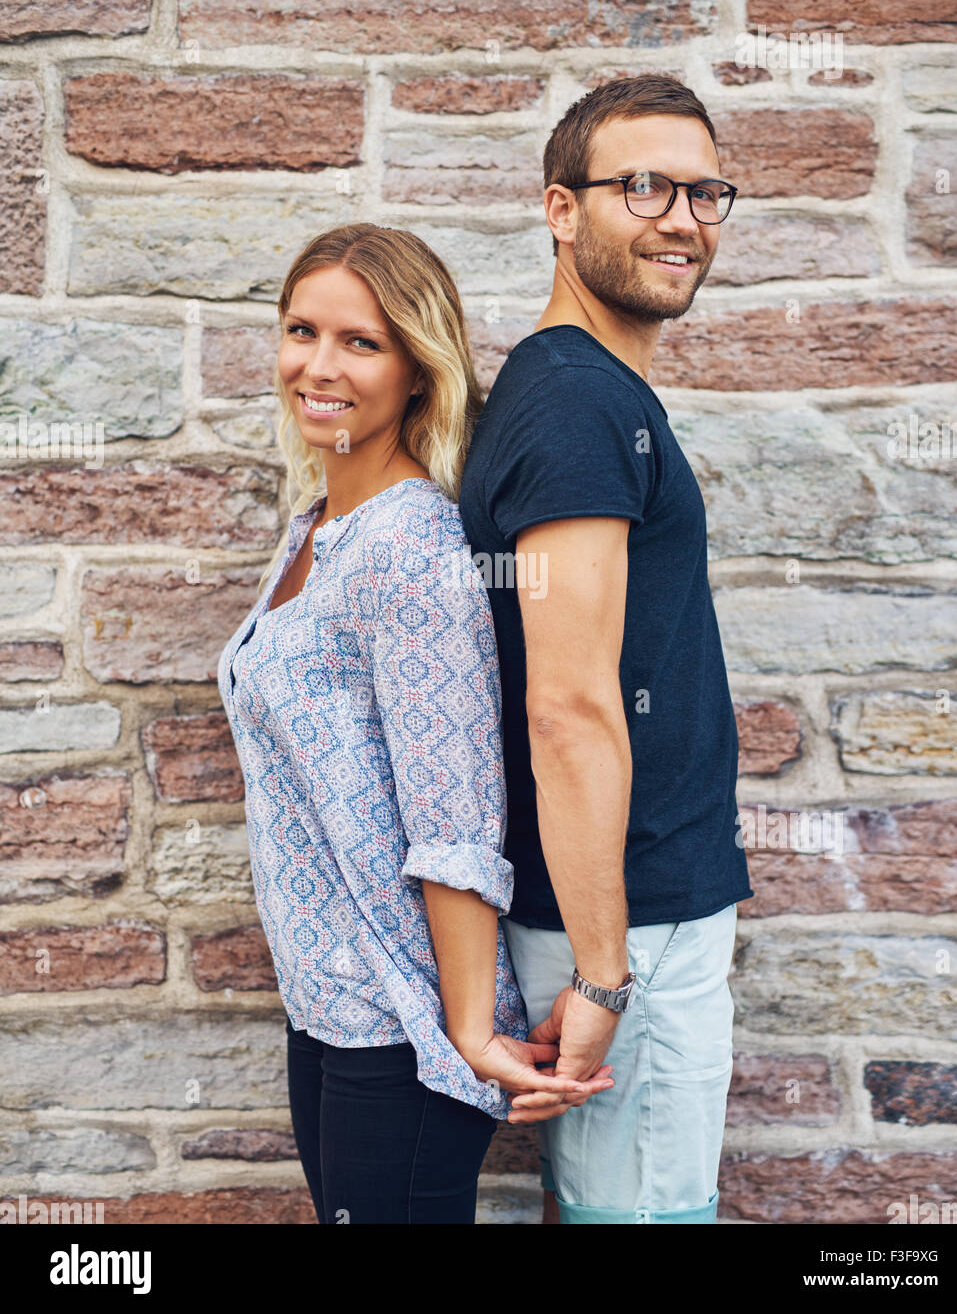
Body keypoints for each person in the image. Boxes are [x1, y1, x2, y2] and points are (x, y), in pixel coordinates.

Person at [217, 223, 613, 1226]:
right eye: (301, 329)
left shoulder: (412, 545)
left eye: (361, 341)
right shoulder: (318, 525)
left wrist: (466, 1027)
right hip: (328, 1013)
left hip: (398, 1030)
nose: (318, 364)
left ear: (418, 371)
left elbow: (455, 815)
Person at [458, 73, 755, 1224]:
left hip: (636, 909)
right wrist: (601, 974)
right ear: (561, 210)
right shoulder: (578, 405)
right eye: (641, 185)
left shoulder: (580, 390)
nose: (680, 217)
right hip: (634, 915)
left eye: (703, 191)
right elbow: (567, 706)